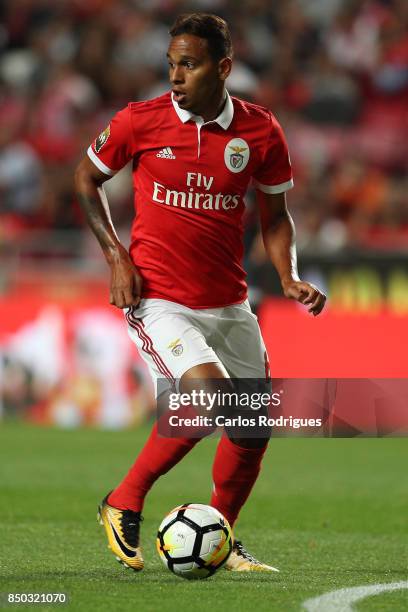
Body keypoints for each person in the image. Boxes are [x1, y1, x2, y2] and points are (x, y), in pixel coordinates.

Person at [74, 13, 326, 573]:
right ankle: (123, 499)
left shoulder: (260, 132)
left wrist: (287, 276)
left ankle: (221, 535)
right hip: (160, 298)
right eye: (171, 64)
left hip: (229, 303)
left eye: (188, 64)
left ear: (224, 68)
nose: (175, 76)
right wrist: (116, 255)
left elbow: (276, 215)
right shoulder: (140, 121)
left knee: (253, 421)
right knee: (208, 400)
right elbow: (85, 179)